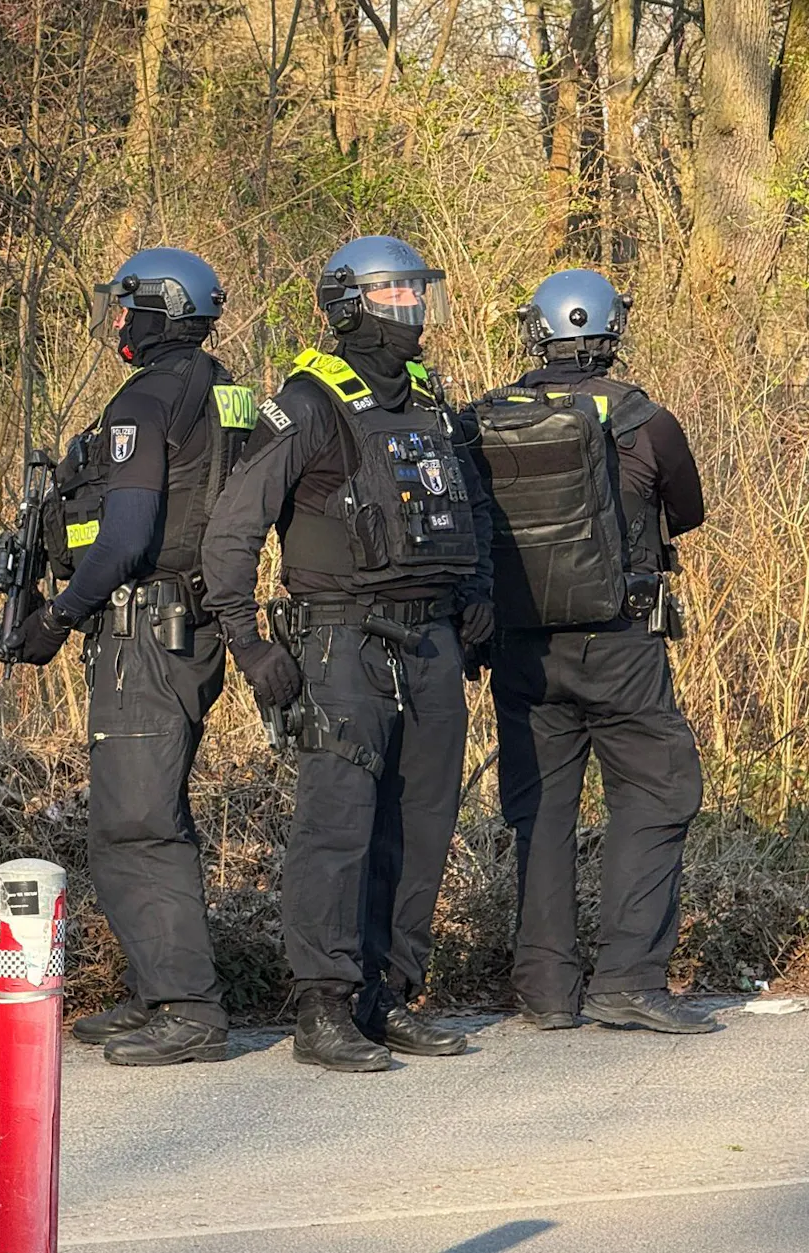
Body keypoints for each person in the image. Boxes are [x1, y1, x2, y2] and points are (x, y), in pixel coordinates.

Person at [201, 235, 494, 1072]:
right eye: (396, 294)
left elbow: (466, 505)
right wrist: (247, 641)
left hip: (431, 639)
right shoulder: (308, 402)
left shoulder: (431, 399)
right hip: (340, 642)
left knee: (421, 825)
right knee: (337, 830)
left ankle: (386, 994)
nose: (414, 308)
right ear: (351, 306)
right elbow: (232, 530)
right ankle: (322, 1005)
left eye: (418, 292)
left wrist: (478, 594)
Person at [8, 246, 252, 1066]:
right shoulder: (225, 389)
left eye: (125, 305)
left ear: (159, 310)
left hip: (145, 631)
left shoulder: (144, 400)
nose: (116, 319)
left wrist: (56, 617)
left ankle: (188, 1007)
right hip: (195, 624)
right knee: (144, 811)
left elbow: (125, 540)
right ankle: (157, 989)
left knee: (137, 823)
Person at [482, 269, 709, 1033]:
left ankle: (546, 990)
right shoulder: (646, 420)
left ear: (537, 334)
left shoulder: (490, 418)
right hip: (621, 643)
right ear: (612, 331)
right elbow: (688, 511)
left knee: (540, 811)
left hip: (521, 648)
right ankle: (629, 979)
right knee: (655, 793)